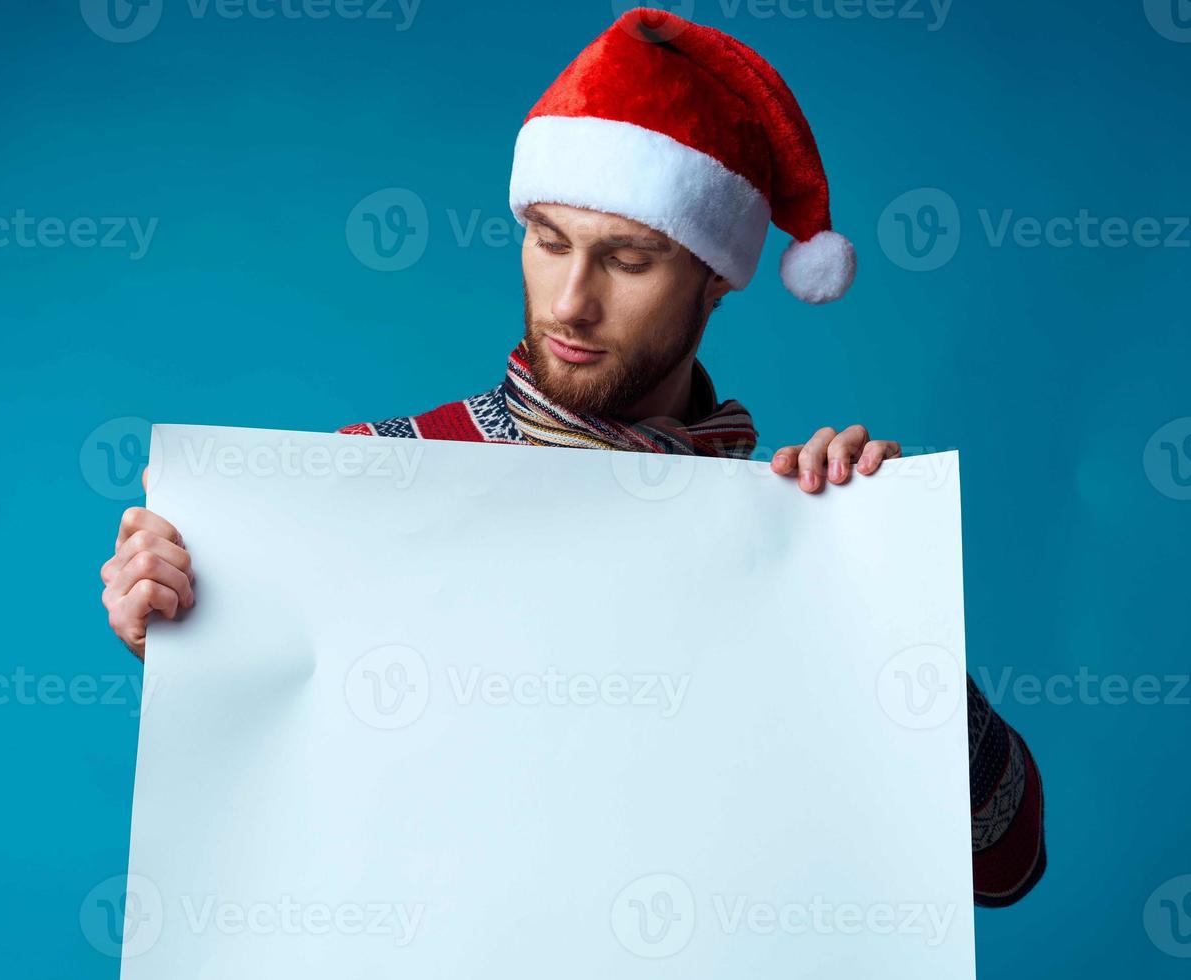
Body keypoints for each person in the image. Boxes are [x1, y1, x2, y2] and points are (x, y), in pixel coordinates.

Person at [99, 7, 1045, 907]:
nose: (570, 303)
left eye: (627, 261)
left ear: (717, 279)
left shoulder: (793, 533)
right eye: (548, 244)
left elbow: (1005, 867)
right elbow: (271, 834)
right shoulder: (369, 484)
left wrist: (885, 600)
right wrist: (191, 643)